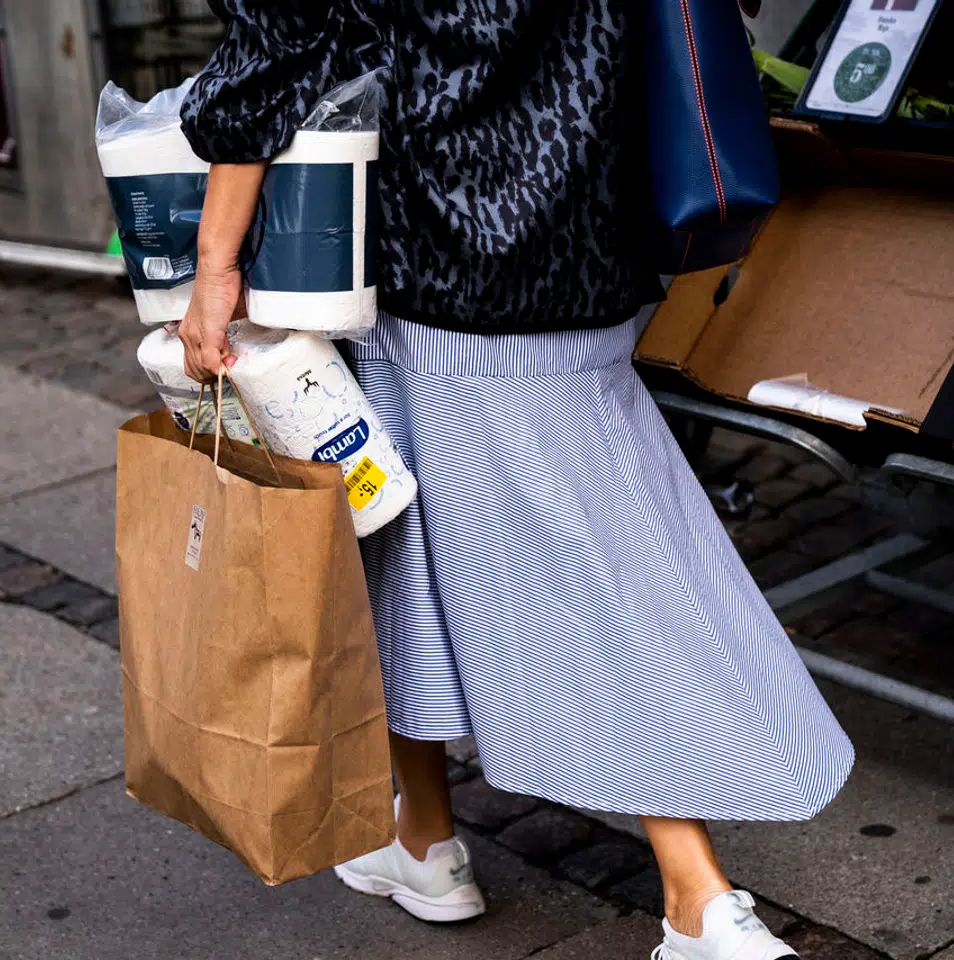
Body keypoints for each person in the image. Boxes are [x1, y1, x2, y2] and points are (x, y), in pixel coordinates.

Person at [177, 3, 854, 957]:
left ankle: (695, 900)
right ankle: (426, 838)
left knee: (540, 567)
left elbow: (278, 45)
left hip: (420, 241)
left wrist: (214, 265)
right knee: (416, 543)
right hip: (586, 228)